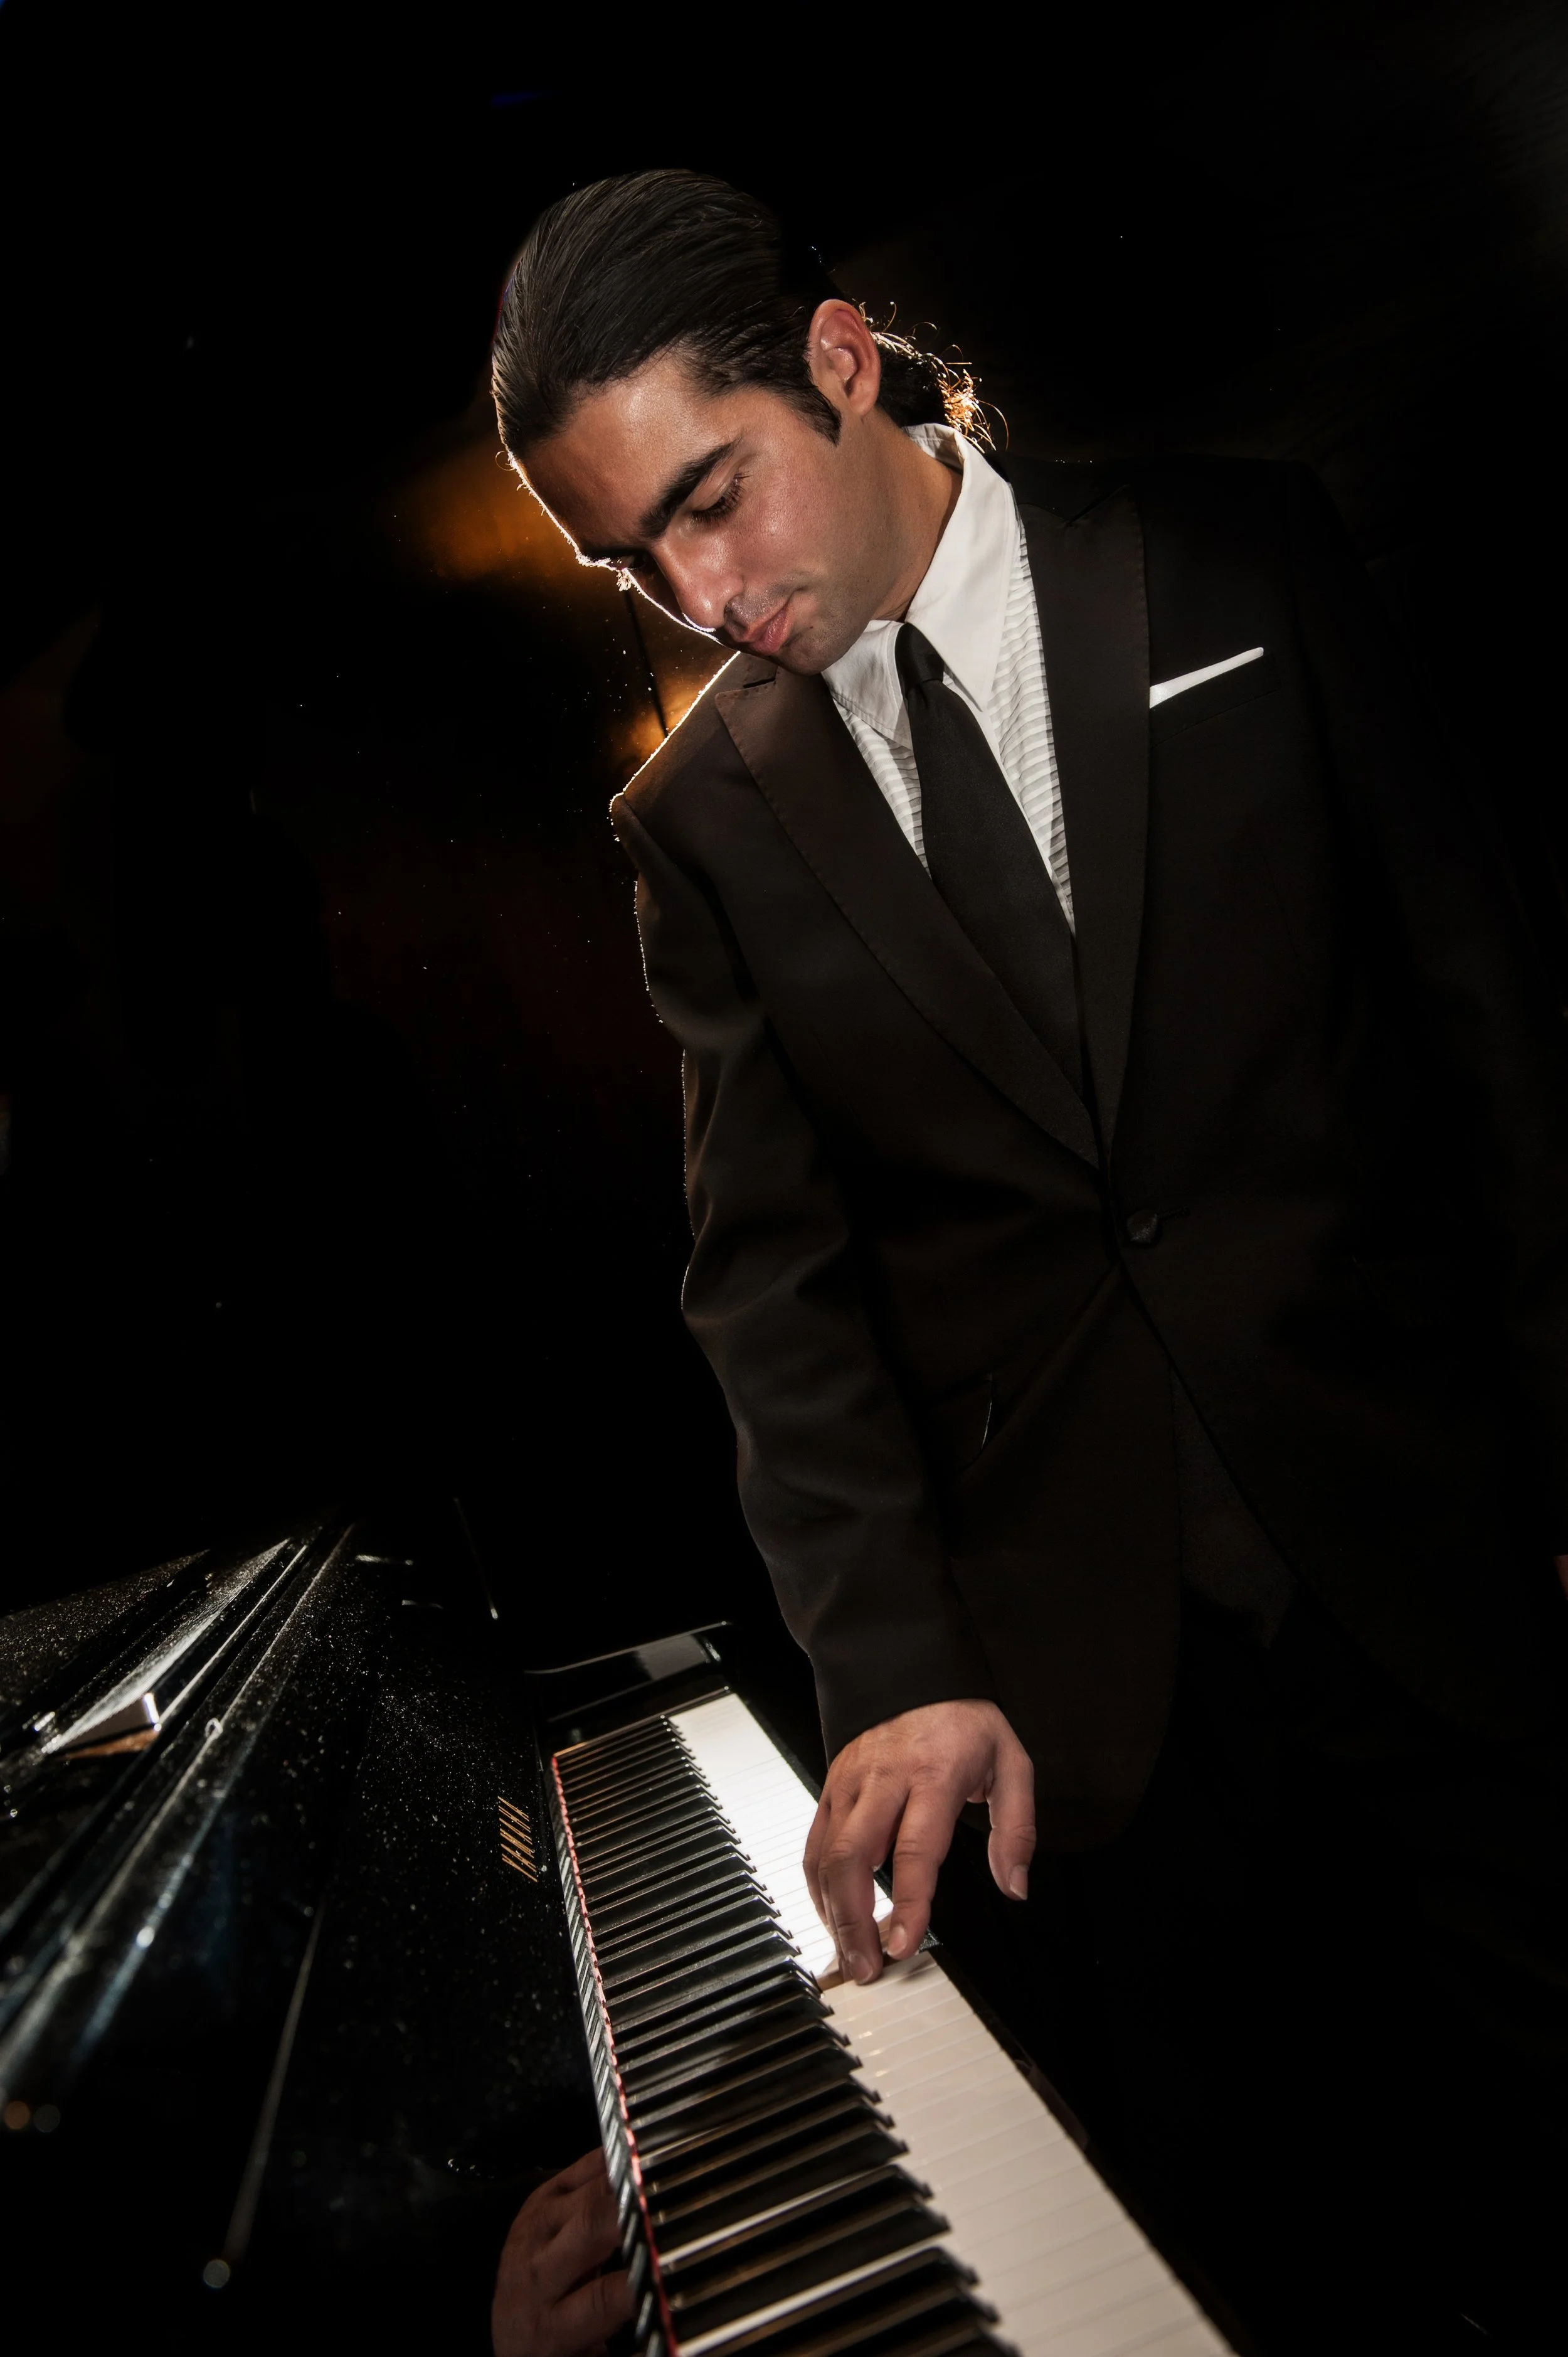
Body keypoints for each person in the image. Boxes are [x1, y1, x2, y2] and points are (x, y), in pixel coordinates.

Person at [487, 170, 1568, 2353]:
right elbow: (766, 1290)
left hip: (1452, 1561)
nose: (697, 595)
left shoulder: (1235, 553)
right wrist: (889, 1658)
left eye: (711, 500)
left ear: (838, 362)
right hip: (1096, 1720)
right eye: (636, 560)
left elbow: (1493, 1032)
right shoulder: (690, 828)